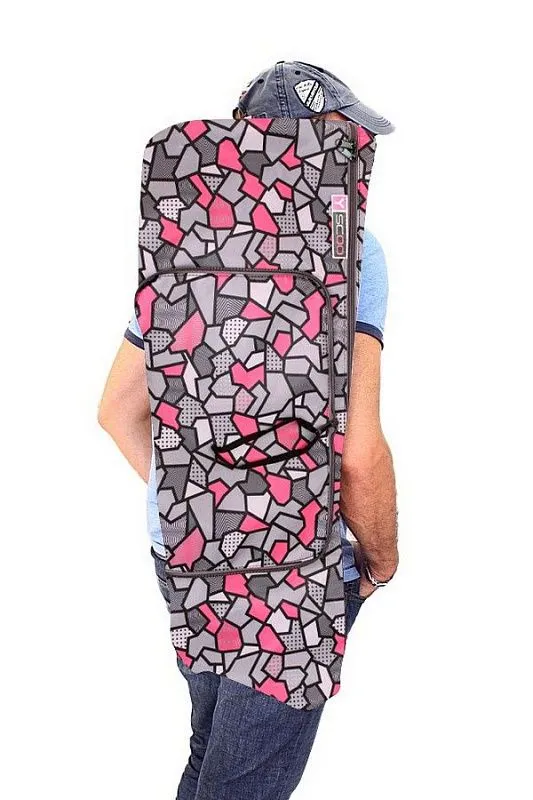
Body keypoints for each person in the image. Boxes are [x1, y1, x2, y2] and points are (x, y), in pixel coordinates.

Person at [99, 60, 399, 800]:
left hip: (183, 550)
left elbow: (118, 410)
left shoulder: (186, 243)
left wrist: (201, 503)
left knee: (212, 758)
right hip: (291, 573)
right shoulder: (351, 251)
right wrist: (381, 562)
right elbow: (358, 454)